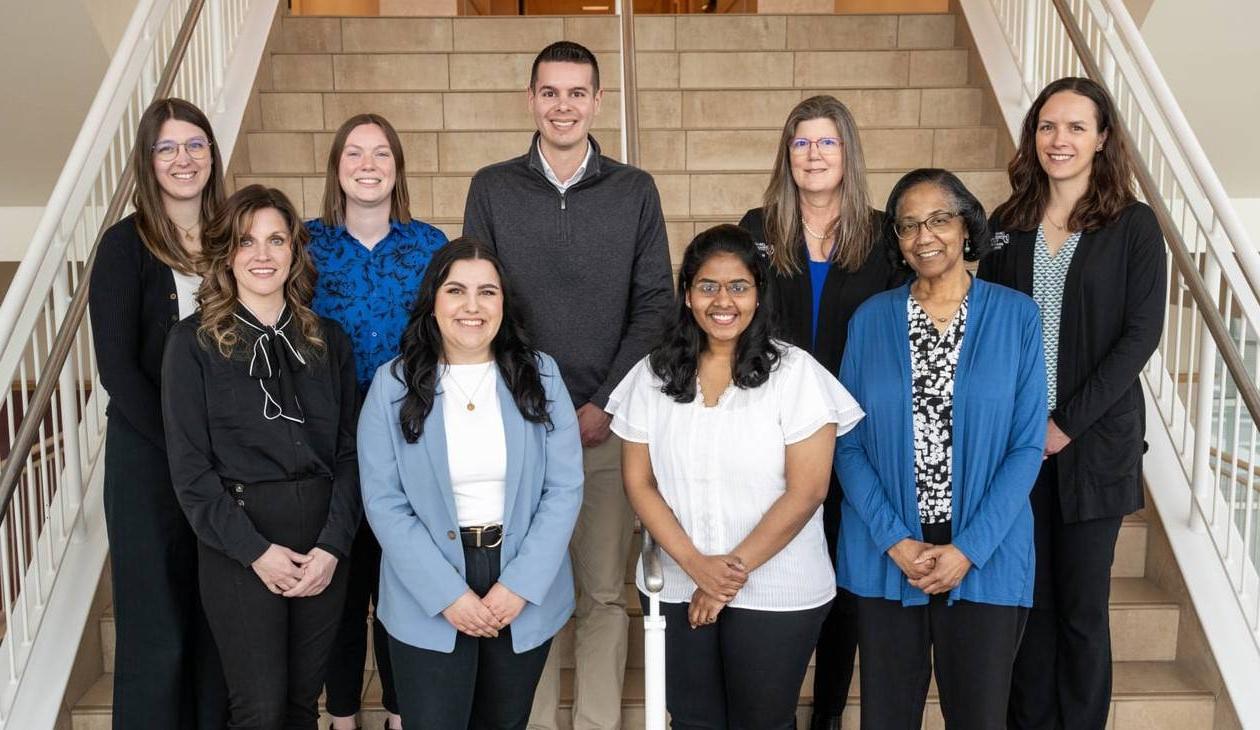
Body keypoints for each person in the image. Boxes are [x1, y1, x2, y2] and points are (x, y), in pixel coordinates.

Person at [461, 40, 673, 730]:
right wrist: (534, 403)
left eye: (576, 92)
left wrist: (604, 403)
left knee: (606, 594)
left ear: (597, 101)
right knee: (530, 588)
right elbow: (475, 302)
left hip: (606, 426)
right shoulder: (492, 188)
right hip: (517, 427)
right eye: (550, 92)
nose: (563, 105)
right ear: (531, 99)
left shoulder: (634, 190)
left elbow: (654, 306)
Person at [607, 224, 864, 729]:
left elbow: (808, 490)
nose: (722, 301)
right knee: (694, 722)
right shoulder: (651, 375)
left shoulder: (797, 374)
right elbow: (640, 483)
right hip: (679, 586)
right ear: (687, 295)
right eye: (708, 286)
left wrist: (723, 579)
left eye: (738, 286)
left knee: (762, 722)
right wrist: (697, 567)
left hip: (778, 588)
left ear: (758, 294)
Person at [980, 77, 1166, 730]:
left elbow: (1139, 336)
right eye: (1048, 126)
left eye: (1076, 127)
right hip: (1018, 449)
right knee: (1027, 604)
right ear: (1033, 136)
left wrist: (1065, 424)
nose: (1060, 140)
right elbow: (988, 334)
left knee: (1082, 608)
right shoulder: (1006, 226)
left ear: (1103, 138)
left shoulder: (1134, 226)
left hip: (1095, 448)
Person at [835, 169, 1046, 729]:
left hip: (987, 553)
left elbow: (1027, 447)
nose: (923, 236)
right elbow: (848, 444)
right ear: (897, 241)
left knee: (979, 719)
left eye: (939, 219)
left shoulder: (1018, 317)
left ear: (967, 226)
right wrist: (896, 542)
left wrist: (968, 550)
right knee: (886, 718)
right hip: (890, 554)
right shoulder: (871, 319)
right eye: (908, 226)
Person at [357, 238, 584, 730]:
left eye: (487, 292)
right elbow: (383, 501)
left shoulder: (540, 375)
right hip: (428, 585)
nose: (472, 306)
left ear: (504, 302)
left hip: (518, 582)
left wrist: (519, 585)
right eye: (456, 290)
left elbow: (564, 489)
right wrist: (448, 596)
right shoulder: (392, 385)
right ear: (433, 302)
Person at [161, 185, 360, 729]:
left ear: (295, 251)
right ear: (227, 253)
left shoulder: (328, 341)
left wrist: (333, 546)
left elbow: (349, 454)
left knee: (301, 704)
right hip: (240, 542)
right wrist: (255, 551)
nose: (263, 255)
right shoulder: (192, 345)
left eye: (276, 240)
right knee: (260, 707)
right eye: (247, 242)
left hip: (322, 542)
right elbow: (191, 471)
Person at [737, 94, 899, 730]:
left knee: (846, 582)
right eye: (801, 143)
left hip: (859, 434)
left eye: (826, 142)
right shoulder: (758, 227)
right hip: (775, 433)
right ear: (787, 154)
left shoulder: (885, 235)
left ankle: (827, 714)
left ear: (847, 152)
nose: (813, 154)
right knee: (774, 566)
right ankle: (766, 706)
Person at [87, 97, 228, 730]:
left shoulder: (235, 238)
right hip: (150, 460)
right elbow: (116, 368)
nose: (183, 159)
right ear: (148, 161)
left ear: (211, 155)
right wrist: (184, 447)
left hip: (229, 462)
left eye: (195, 144)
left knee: (217, 621)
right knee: (156, 626)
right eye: (167, 148)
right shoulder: (124, 246)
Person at [308, 112, 448, 730]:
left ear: (398, 167)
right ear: (337, 166)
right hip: (327, 439)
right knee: (342, 580)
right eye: (355, 154)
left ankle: (397, 710)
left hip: (409, 435)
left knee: (402, 576)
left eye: (382, 154)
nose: (368, 165)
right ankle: (340, 712)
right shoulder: (305, 245)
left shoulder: (429, 245)